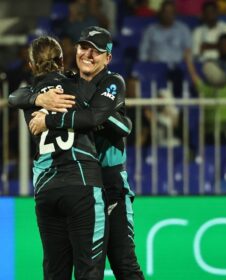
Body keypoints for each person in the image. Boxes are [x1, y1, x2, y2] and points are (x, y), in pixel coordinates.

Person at [10, 27, 145, 279]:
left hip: (110, 184)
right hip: (85, 184)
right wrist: (39, 99)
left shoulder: (111, 82)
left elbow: (109, 121)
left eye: (97, 51)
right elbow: (15, 96)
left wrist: (49, 120)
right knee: (77, 267)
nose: (88, 55)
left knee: (123, 264)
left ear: (108, 58)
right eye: (84, 48)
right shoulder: (69, 84)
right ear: (73, 52)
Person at [11, 35, 108, 280]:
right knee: (89, 271)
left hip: (46, 191)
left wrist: (37, 99)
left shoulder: (28, 96)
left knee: (55, 274)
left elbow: (13, 97)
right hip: (81, 184)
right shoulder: (78, 84)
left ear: (31, 66)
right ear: (62, 60)